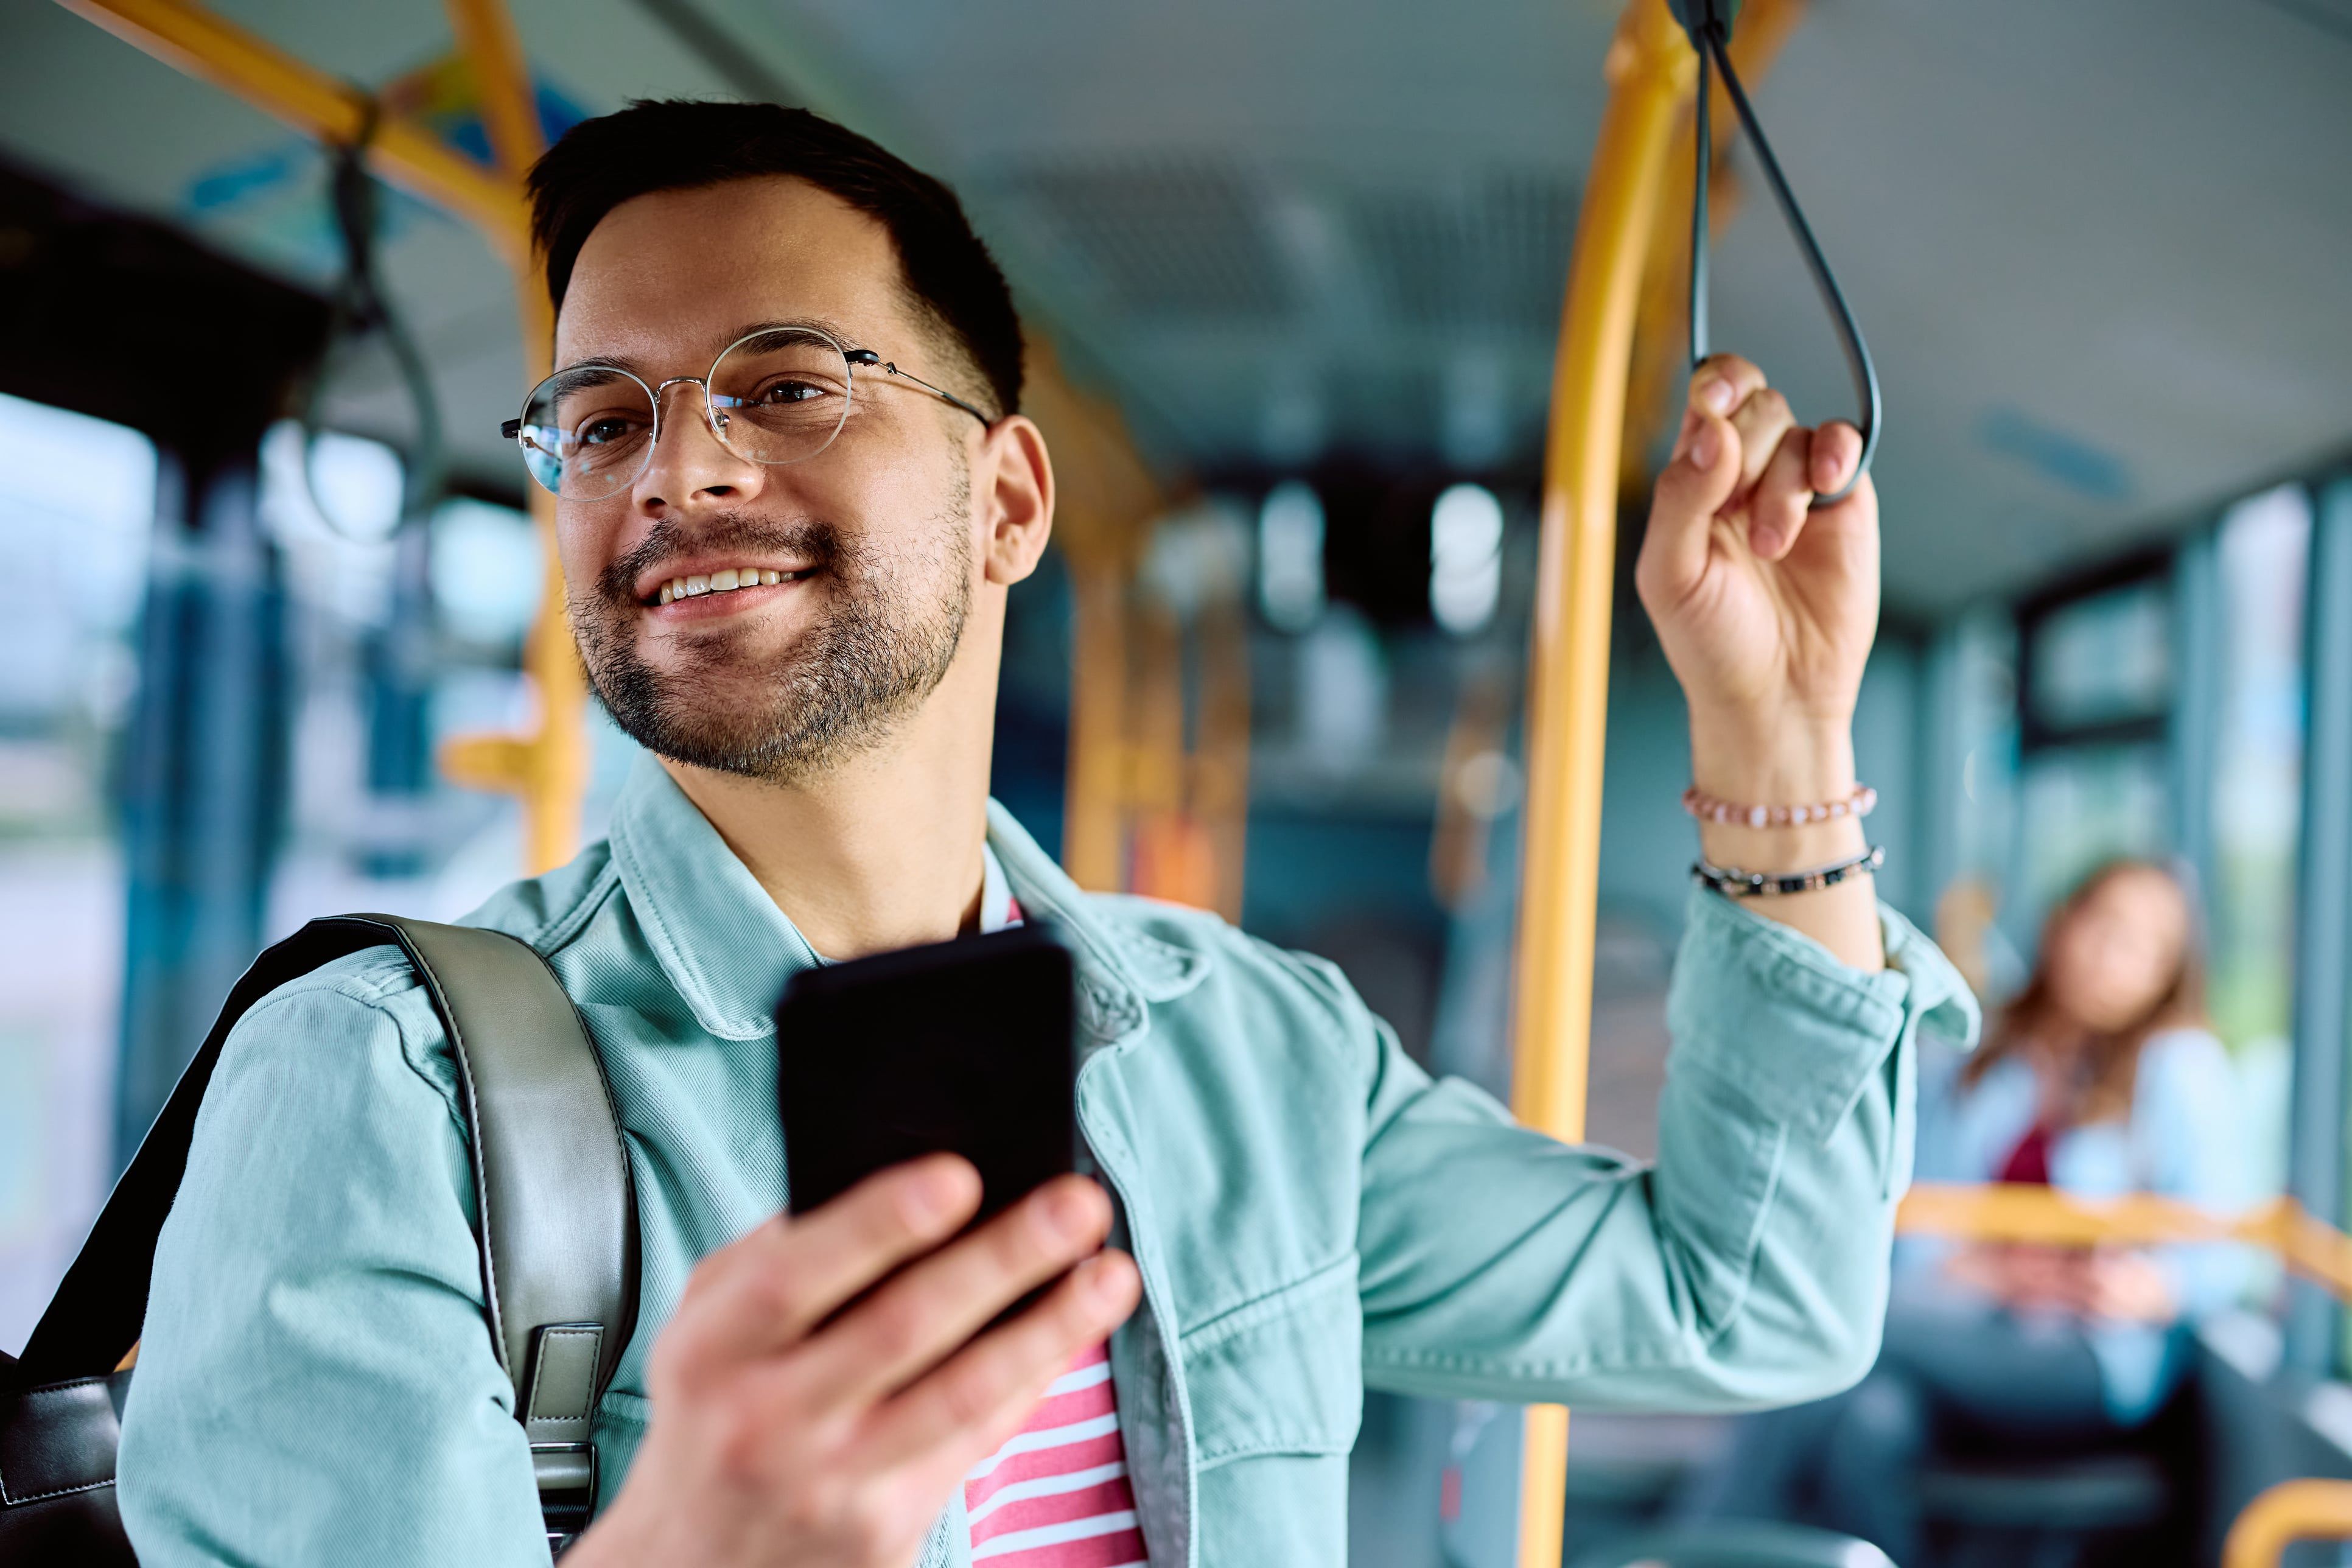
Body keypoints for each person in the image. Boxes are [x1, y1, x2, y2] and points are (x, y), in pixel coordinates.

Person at [115, 100, 1972, 1568]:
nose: (679, 469)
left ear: (1007, 500)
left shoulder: (1251, 1053)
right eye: (602, 423)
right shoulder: (381, 1092)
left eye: (787, 385)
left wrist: (1780, 736)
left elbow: (1749, 1302)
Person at [1679, 858, 2256, 1565]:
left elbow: (2228, 1250)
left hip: (2082, 1350)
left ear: (2166, 974)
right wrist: (1979, 1271)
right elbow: (1919, 1218)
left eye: (2143, 947)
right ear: (2063, 923)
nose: (2112, 957)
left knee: (1833, 1329)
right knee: (1867, 1421)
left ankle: (1687, 1549)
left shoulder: (2180, 1068)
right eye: (2104, 926)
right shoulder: (1984, 1052)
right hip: (1964, 1320)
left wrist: (2149, 1284)